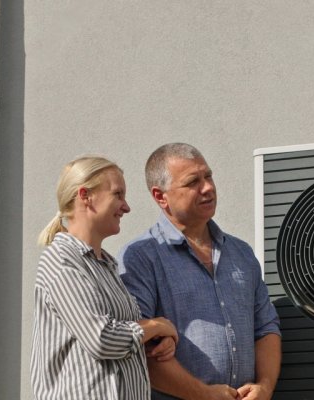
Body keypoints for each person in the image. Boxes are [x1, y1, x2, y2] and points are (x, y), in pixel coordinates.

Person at [120, 143, 282, 400]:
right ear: (160, 196)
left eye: (208, 176)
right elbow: (139, 348)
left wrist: (264, 386)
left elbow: (265, 328)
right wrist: (203, 394)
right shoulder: (140, 258)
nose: (207, 187)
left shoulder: (241, 253)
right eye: (192, 182)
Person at [31, 156, 181, 400]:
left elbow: (124, 335)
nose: (126, 207)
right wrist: (157, 326)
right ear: (85, 196)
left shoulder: (106, 265)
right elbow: (101, 339)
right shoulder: (61, 260)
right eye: (117, 194)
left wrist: (158, 340)